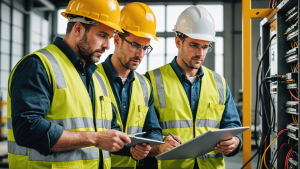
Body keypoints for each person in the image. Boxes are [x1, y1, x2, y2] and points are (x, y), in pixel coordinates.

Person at [7, 0, 131, 168]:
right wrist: (96, 138)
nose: (107, 46)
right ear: (78, 29)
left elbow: (110, 129)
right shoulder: (38, 66)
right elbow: (28, 129)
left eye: (109, 37)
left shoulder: (97, 77)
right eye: (102, 35)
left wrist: (134, 145)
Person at [145, 6, 242, 169]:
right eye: (194, 45)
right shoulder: (151, 81)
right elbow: (147, 131)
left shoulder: (219, 83)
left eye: (206, 47)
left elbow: (232, 126)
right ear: (178, 41)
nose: (201, 53)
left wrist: (235, 142)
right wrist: (160, 145)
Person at [96, 2, 163, 169]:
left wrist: (148, 144)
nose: (140, 54)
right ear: (117, 39)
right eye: (135, 45)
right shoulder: (92, 77)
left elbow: (153, 128)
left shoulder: (144, 84)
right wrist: (130, 149)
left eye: (145, 48)